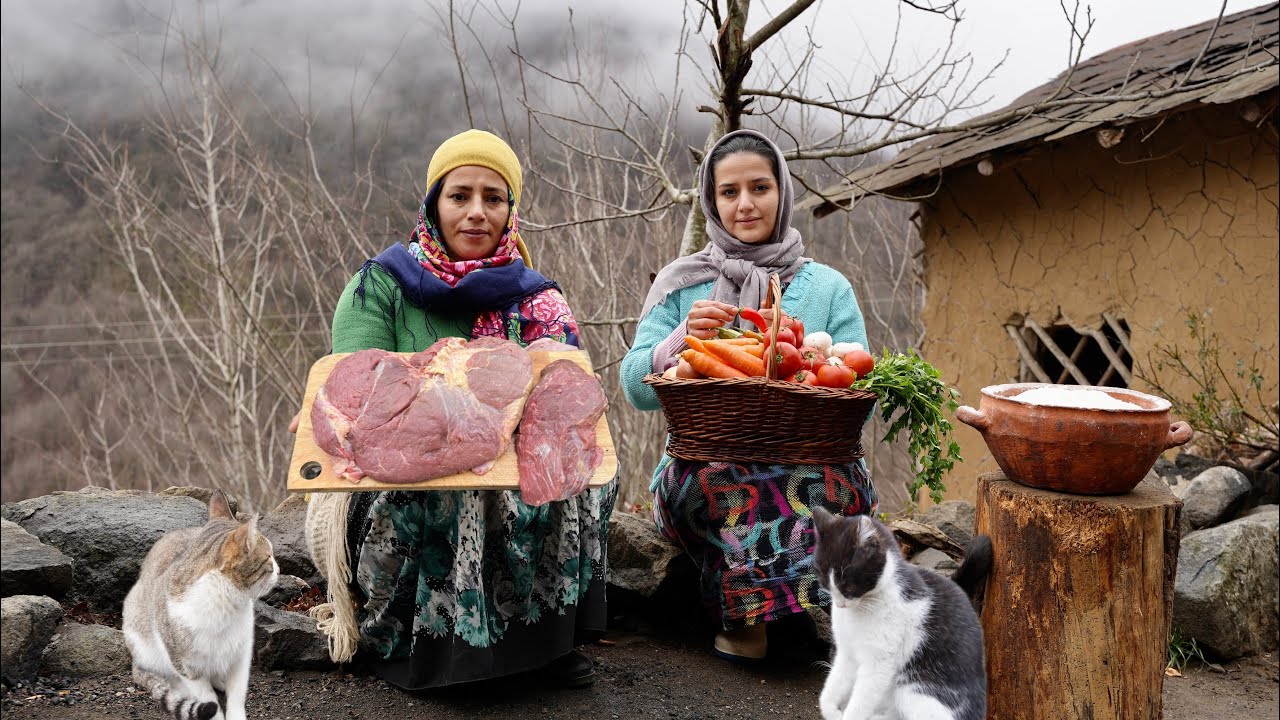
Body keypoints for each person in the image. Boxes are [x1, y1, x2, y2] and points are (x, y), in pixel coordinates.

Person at [303, 129, 615, 690]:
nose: (476, 213)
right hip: (394, 475)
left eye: (493, 199)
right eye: (459, 196)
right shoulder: (379, 287)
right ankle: (439, 649)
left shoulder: (537, 300)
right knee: (461, 490)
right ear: (433, 204)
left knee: (575, 475)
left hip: (510, 467)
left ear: (511, 210)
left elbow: (567, 402)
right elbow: (350, 402)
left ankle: (538, 644)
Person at [619, 129, 878, 663]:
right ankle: (752, 626)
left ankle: (785, 615)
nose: (745, 204)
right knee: (734, 479)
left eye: (759, 187)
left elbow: (861, 390)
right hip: (700, 466)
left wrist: (805, 366)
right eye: (728, 192)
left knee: (833, 483)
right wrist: (682, 339)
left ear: (782, 192)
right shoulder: (681, 284)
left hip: (810, 457)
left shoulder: (829, 289)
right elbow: (633, 387)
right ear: (712, 201)